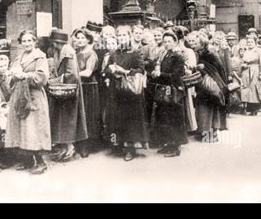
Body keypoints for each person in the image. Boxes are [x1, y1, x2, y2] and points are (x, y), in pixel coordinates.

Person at [5, 30, 51, 174]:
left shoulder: (40, 57)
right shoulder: (19, 57)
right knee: (22, 128)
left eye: (29, 40)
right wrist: (11, 75)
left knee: (34, 129)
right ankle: (28, 160)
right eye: (24, 41)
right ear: (20, 43)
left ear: (35, 41)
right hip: (19, 95)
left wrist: (24, 75)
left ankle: (41, 163)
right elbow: (11, 77)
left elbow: (42, 78)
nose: (27, 43)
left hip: (33, 96)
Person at [104, 25, 150, 161]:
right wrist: (110, 70)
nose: (122, 38)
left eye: (124, 35)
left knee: (131, 120)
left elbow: (141, 70)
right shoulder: (114, 53)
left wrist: (124, 72)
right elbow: (106, 70)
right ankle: (119, 145)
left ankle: (130, 148)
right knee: (118, 118)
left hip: (130, 91)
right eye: (120, 35)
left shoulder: (135, 53)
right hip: (116, 90)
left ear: (129, 37)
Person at [48, 29, 88, 161]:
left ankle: (70, 147)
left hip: (69, 91)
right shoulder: (59, 52)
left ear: (56, 42)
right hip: (62, 91)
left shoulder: (68, 53)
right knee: (63, 120)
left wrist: (57, 80)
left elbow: (73, 75)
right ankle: (64, 147)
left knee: (69, 120)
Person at [151, 32, 188, 157]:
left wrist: (160, 74)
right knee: (165, 117)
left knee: (174, 118)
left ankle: (175, 146)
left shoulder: (178, 56)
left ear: (175, 42)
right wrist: (156, 74)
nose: (167, 43)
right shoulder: (165, 55)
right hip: (165, 90)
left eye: (169, 41)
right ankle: (168, 144)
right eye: (165, 41)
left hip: (174, 90)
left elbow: (176, 75)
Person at [189, 31, 228, 142]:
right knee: (204, 109)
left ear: (202, 44)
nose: (193, 44)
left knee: (210, 109)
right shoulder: (199, 53)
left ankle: (211, 134)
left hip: (211, 85)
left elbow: (220, 68)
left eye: (196, 43)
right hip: (204, 86)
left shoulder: (210, 53)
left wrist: (203, 67)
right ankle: (206, 133)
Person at [74, 28, 101, 157]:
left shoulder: (91, 54)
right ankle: (79, 143)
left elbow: (88, 72)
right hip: (79, 86)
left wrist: (72, 75)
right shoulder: (76, 53)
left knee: (88, 116)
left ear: (88, 39)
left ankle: (87, 146)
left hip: (89, 87)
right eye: (78, 38)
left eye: (82, 38)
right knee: (79, 115)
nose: (80, 40)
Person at [240, 37, 261, 117]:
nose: (250, 43)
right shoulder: (246, 51)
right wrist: (244, 65)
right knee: (250, 91)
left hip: (256, 71)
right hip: (247, 72)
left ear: (255, 42)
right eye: (248, 42)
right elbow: (244, 61)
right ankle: (253, 110)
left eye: (251, 42)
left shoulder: (259, 51)